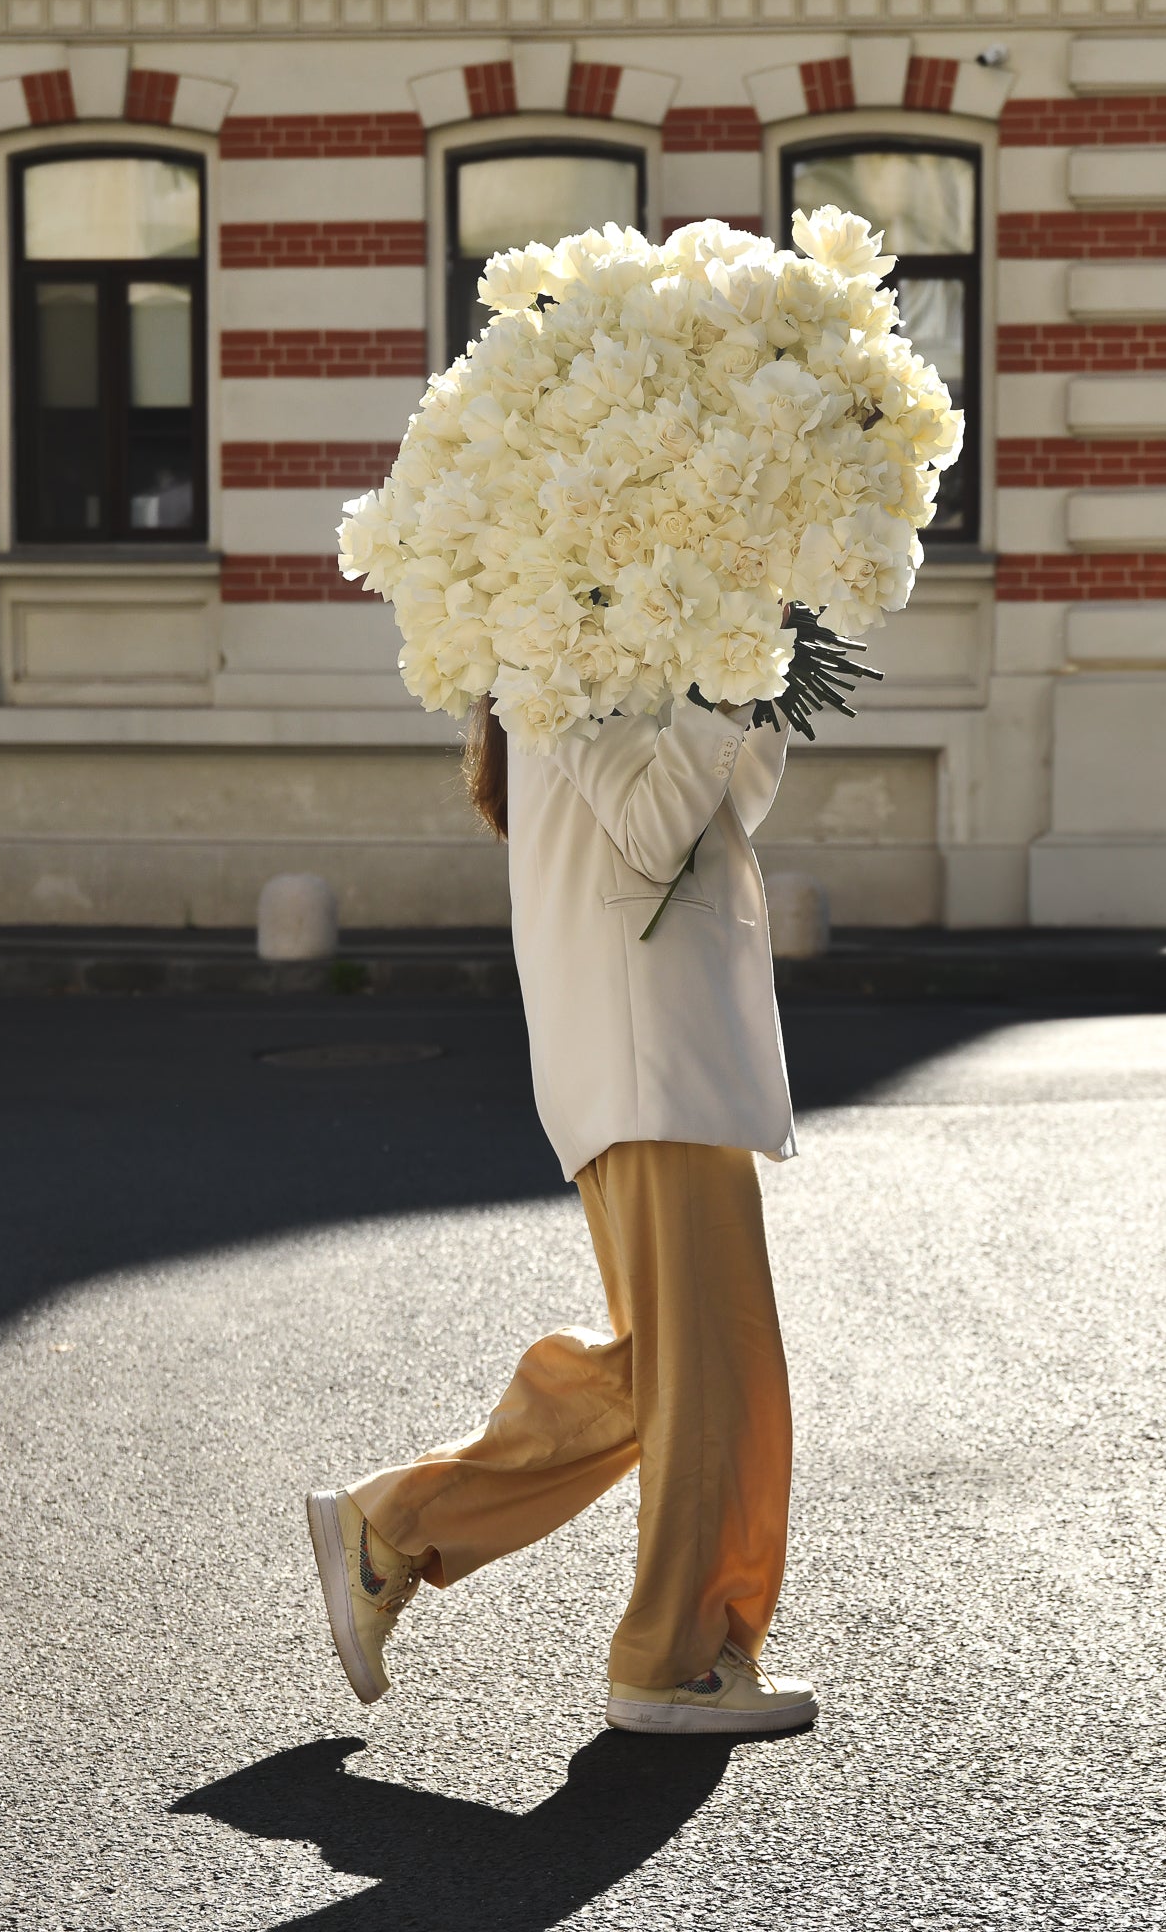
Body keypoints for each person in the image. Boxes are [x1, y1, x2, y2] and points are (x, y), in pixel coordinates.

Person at [305, 689, 814, 1736]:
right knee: (705, 1366)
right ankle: (666, 1660)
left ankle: (394, 1527)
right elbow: (649, 826)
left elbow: (731, 798)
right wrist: (728, 676)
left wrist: (762, 665)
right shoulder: (565, 632)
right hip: (648, 1059)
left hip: (667, 1055)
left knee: (686, 1365)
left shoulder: (610, 618)